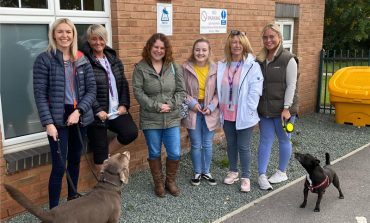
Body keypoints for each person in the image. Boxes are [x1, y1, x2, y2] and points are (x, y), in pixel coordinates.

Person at [33, 18, 96, 209]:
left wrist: (79, 111)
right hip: (57, 119)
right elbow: (40, 94)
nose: (64, 35)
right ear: (53, 34)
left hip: (79, 116)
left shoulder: (81, 58)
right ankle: (53, 211)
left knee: (75, 159)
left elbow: (91, 90)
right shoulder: (45, 59)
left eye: (68, 32)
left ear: (74, 34)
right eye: (60, 31)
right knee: (59, 166)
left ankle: (72, 200)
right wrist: (48, 123)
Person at [132, 33, 186, 197]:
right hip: (151, 119)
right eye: (156, 47)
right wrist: (157, 106)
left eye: (162, 48)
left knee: (175, 152)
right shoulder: (140, 68)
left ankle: (170, 182)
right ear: (149, 47)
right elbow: (138, 92)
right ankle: (158, 183)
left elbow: (181, 90)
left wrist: (171, 105)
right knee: (154, 152)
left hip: (171, 117)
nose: (159, 50)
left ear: (166, 50)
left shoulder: (173, 67)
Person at [80, 24, 138, 172]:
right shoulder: (85, 61)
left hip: (115, 110)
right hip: (97, 115)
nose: (98, 42)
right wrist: (98, 110)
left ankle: (107, 153)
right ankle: (103, 186)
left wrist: (124, 104)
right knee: (99, 156)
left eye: (101, 38)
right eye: (94, 39)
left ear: (106, 39)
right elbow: (84, 89)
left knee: (130, 132)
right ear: (89, 40)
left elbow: (123, 83)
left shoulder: (114, 59)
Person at [217, 30, 264, 192]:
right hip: (227, 113)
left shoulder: (252, 65)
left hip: (244, 113)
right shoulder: (222, 65)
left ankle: (245, 176)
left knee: (243, 146)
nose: (236, 45)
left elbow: (255, 89)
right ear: (229, 45)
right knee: (231, 144)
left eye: (239, 42)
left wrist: (250, 107)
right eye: (233, 42)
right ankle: (233, 171)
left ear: (244, 45)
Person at [256, 23, 299, 190]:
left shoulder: (288, 59)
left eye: (272, 37)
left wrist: (287, 108)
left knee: (284, 139)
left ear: (279, 38)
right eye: (265, 37)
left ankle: (282, 171)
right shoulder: (259, 59)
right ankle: (261, 174)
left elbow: (291, 85)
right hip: (265, 110)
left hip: (283, 111)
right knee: (265, 141)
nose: (268, 40)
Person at [181, 37, 220, 186]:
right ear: (193, 51)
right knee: (196, 144)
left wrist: (211, 106)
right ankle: (197, 172)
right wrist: (192, 103)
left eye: (204, 50)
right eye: (197, 49)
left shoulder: (216, 68)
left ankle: (206, 171)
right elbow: (181, 90)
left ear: (209, 51)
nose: (200, 52)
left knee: (207, 143)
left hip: (210, 109)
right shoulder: (185, 68)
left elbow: (219, 92)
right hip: (193, 110)